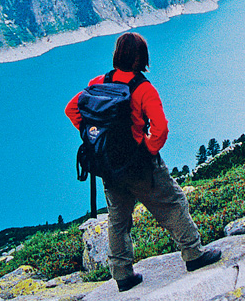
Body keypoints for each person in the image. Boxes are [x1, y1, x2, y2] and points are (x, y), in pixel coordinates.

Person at [65, 31, 221, 291]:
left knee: (118, 219)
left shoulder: (98, 82)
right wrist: (146, 151)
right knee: (173, 204)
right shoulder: (143, 89)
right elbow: (160, 129)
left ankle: (123, 275)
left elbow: (72, 109)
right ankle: (193, 254)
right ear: (141, 58)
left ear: (117, 55)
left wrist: (94, 138)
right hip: (140, 166)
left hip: (109, 167)